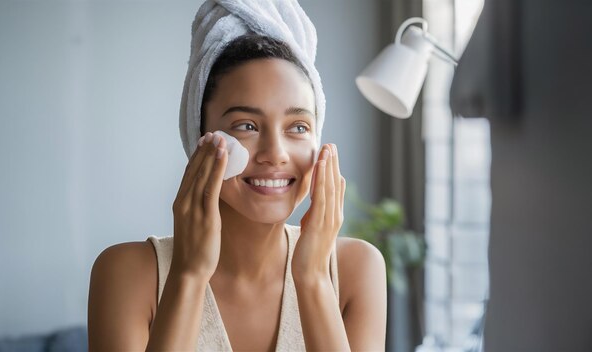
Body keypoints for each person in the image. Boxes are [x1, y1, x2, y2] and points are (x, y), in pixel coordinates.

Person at [87, 1, 387, 351]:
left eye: (298, 126)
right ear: (199, 136)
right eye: (246, 125)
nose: (276, 153)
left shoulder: (355, 270)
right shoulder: (127, 274)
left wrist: (314, 278)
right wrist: (188, 275)